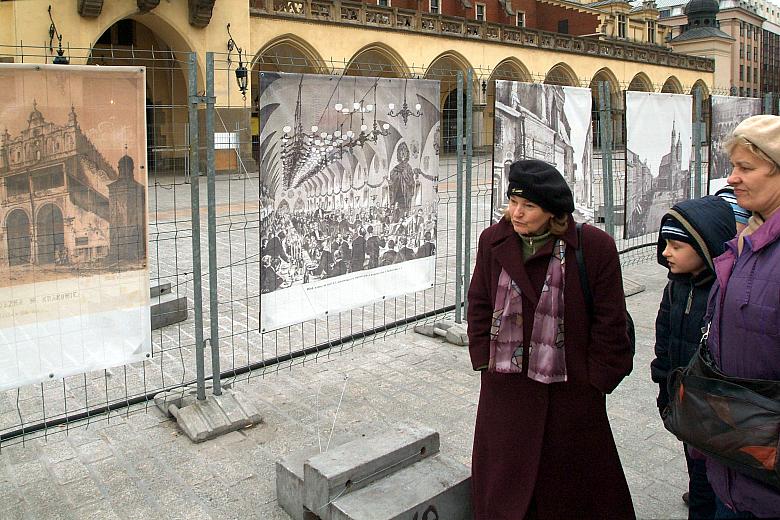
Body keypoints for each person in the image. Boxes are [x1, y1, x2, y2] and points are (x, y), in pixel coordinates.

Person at [467, 159, 634, 519]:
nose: (516, 213)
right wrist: (483, 357)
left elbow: (611, 321)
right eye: (513, 202)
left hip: (570, 398)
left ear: (552, 211)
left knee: (569, 495)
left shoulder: (593, 248)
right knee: (506, 496)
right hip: (506, 393)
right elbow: (479, 301)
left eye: (528, 206)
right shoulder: (493, 241)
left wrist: (597, 382)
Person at [703, 115, 780, 519]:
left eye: (746, 168)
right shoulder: (746, 240)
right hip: (734, 465)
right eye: (733, 166)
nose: (731, 179)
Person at [650, 196, 735, 519]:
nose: (666, 252)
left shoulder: (725, 291)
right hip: (686, 407)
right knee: (696, 474)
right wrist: (664, 387)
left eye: (675, 245)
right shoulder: (676, 287)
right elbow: (664, 340)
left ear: (705, 245)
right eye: (664, 243)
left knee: (709, 491)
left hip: (718, 415)